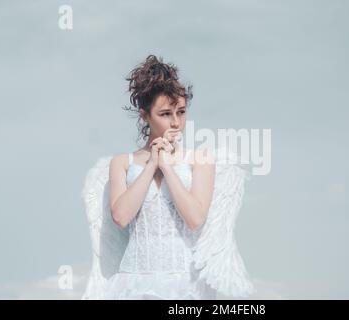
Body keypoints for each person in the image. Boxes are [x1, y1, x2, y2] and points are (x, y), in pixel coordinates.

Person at [81, 55, 255, 300]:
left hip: (186, 285)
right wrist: (152, 164)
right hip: (134, 283)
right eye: (165, 114)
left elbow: (195, 218)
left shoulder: (200, 160)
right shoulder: (121, 163)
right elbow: (120, 217)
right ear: (144, 115)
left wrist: (168, 167)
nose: (176, 122)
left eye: (181, 112)